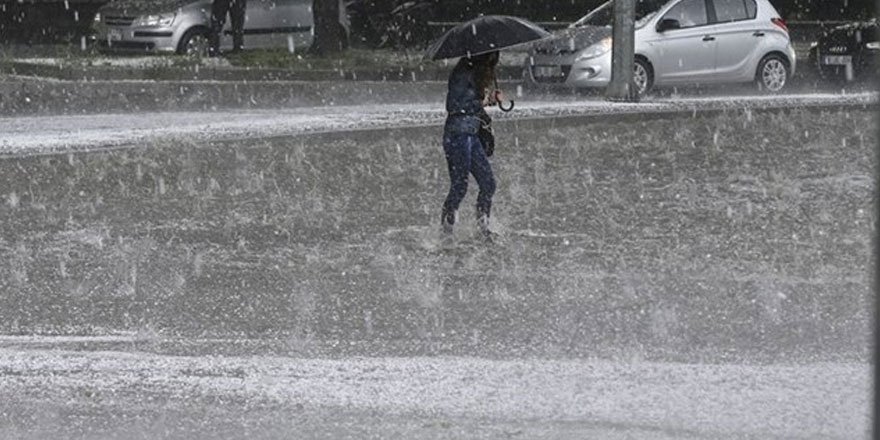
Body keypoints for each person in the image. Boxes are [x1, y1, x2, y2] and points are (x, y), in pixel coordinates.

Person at [440, 51, 504, 240]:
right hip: (458, 135)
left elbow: (471, 103)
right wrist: (485, 100)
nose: (492, 66)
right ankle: (446, 232)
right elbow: (456, 105)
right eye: (491, 61)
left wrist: (488, 99)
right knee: (459, 185)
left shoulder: (473, 72)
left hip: (470, 134)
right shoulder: (463, 73)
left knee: (488, 183)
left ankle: (483, 228)